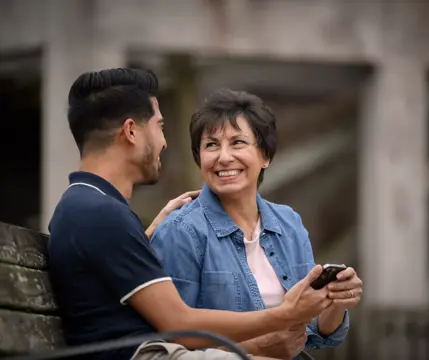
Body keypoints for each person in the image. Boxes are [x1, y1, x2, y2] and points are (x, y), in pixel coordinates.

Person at [47, 68, 337, 360]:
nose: (164, 142)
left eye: (238, 142)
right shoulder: (101, 213)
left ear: (266, 157)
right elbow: (180, 325)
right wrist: (284, 316)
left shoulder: (91, 207)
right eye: (160, 127)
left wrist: (145, 235)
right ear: (131, 132)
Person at [150, 89, 364, 360]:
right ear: (199, 157)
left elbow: (316, 332)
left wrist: (335, 299)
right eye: (211, 145)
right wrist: (260, 347)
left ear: (265, 156)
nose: (224, 157)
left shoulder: (288, 223)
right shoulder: (180, 231)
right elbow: (171, 345)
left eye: (238, 143)